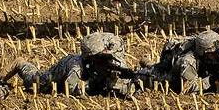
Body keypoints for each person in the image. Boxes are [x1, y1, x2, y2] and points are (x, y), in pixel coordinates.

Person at [9, 30, 143, 98]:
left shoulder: (116, 63)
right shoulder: (76, 64)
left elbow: (123, 87)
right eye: (98, 56)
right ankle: (21, 64)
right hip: (58, 74)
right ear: (90, 57)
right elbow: (71, 86)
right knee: (37, 82)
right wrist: (93, 85)